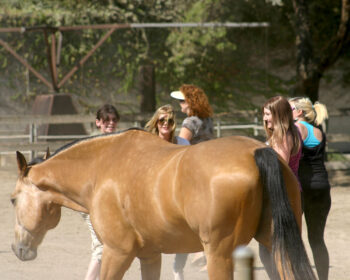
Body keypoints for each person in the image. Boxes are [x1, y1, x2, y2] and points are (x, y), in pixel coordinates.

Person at [145, 104, 189, 280]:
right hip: (154, 195)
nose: (165, 124)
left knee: (187, 233)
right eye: (162, 120)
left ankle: (178, 270)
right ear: (156, 122)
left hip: (177, 193)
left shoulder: (183, 143)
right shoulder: (149, 144)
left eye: (169, 121)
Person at [260, 95, 303, 279]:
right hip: (287, 195)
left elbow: (280, 169)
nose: (265, 118)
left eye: (268, 114)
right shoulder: (289, 132)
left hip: (282, 198)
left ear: (278, 114)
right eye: (264, 114)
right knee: (268, 252)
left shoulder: (284, 136)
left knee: (274, 253)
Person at [289, 97, 331, 280]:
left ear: (299, 112)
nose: (286, 111)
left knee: (294, 239)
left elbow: (288, 153)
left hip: (302, 188)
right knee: (317, 240)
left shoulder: (298, 128)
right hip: (322, 188)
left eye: (289, 108)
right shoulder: (318, 130)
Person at [82, 104, 120, 280]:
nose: (110, 123)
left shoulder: (118, 141)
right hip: (92, 204)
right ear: (98, 122)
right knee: (101, 248)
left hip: (111, 204)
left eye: (114, 120)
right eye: (106, 120)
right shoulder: (91, 144)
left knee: (110, 247)